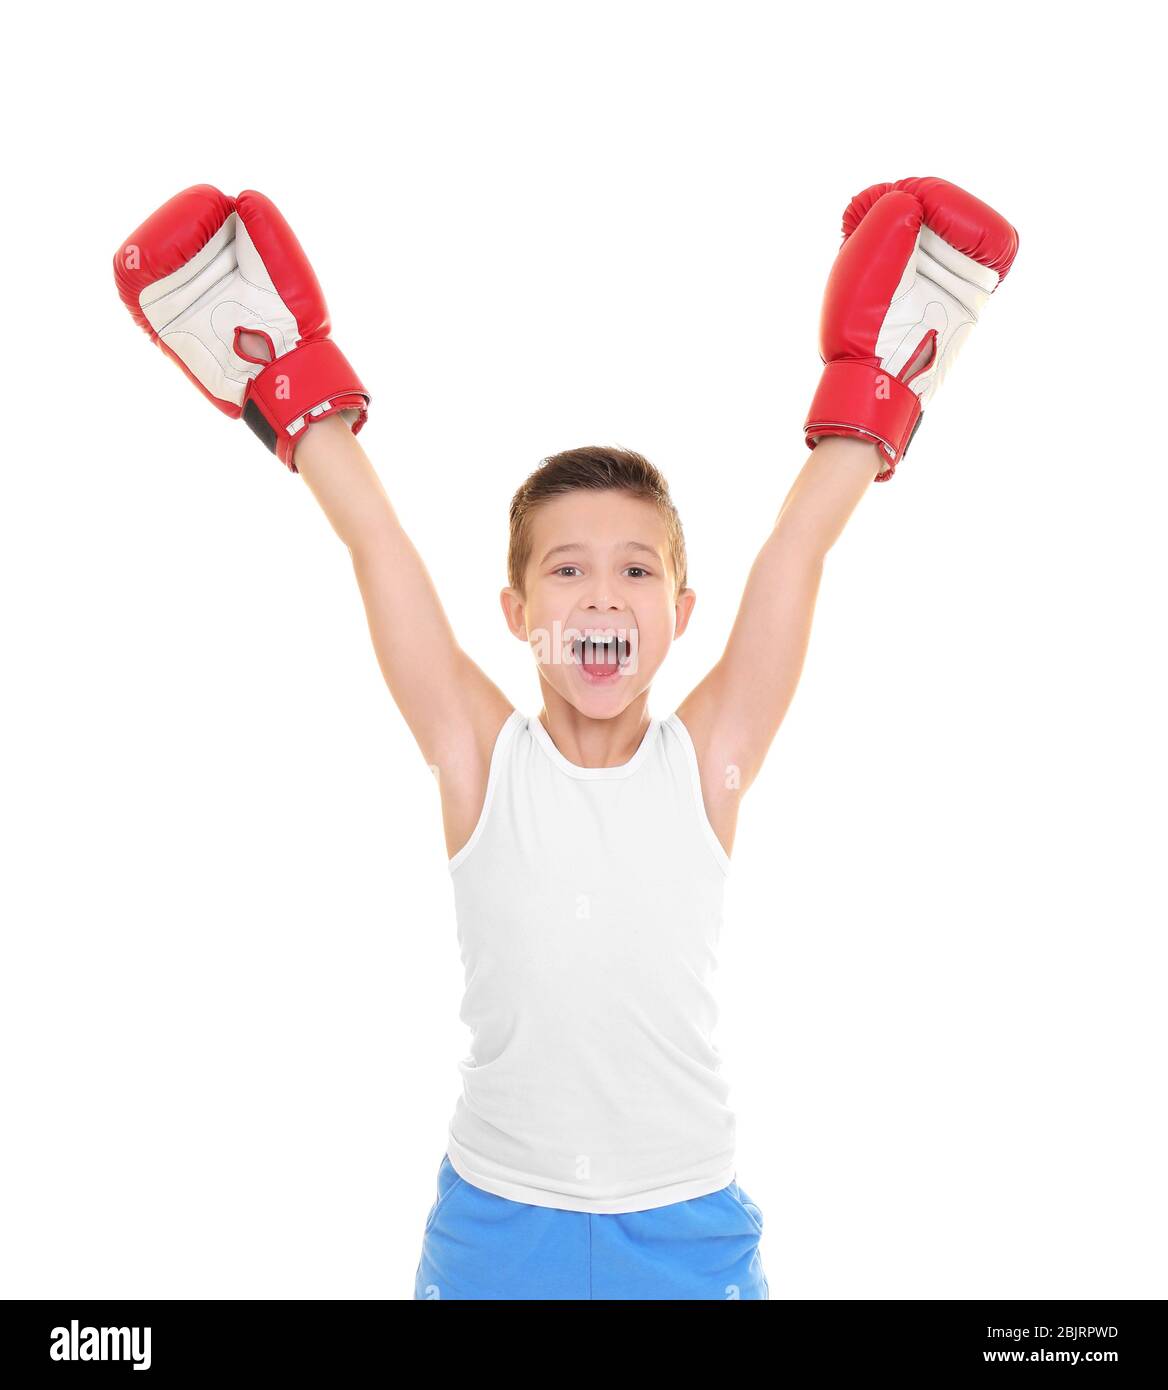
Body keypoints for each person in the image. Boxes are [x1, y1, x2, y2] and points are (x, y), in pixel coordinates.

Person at [113, 177, 1018, 1300]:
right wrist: (297, 398)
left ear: (680, 616)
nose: (602, 595)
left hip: (684, 1220)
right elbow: (377, 543)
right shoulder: (477, 758)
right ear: (519, 614)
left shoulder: (711, 757)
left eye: (636, 570)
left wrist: (876, 397)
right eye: (567, 569)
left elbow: (797, 550)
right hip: (499, 1219)